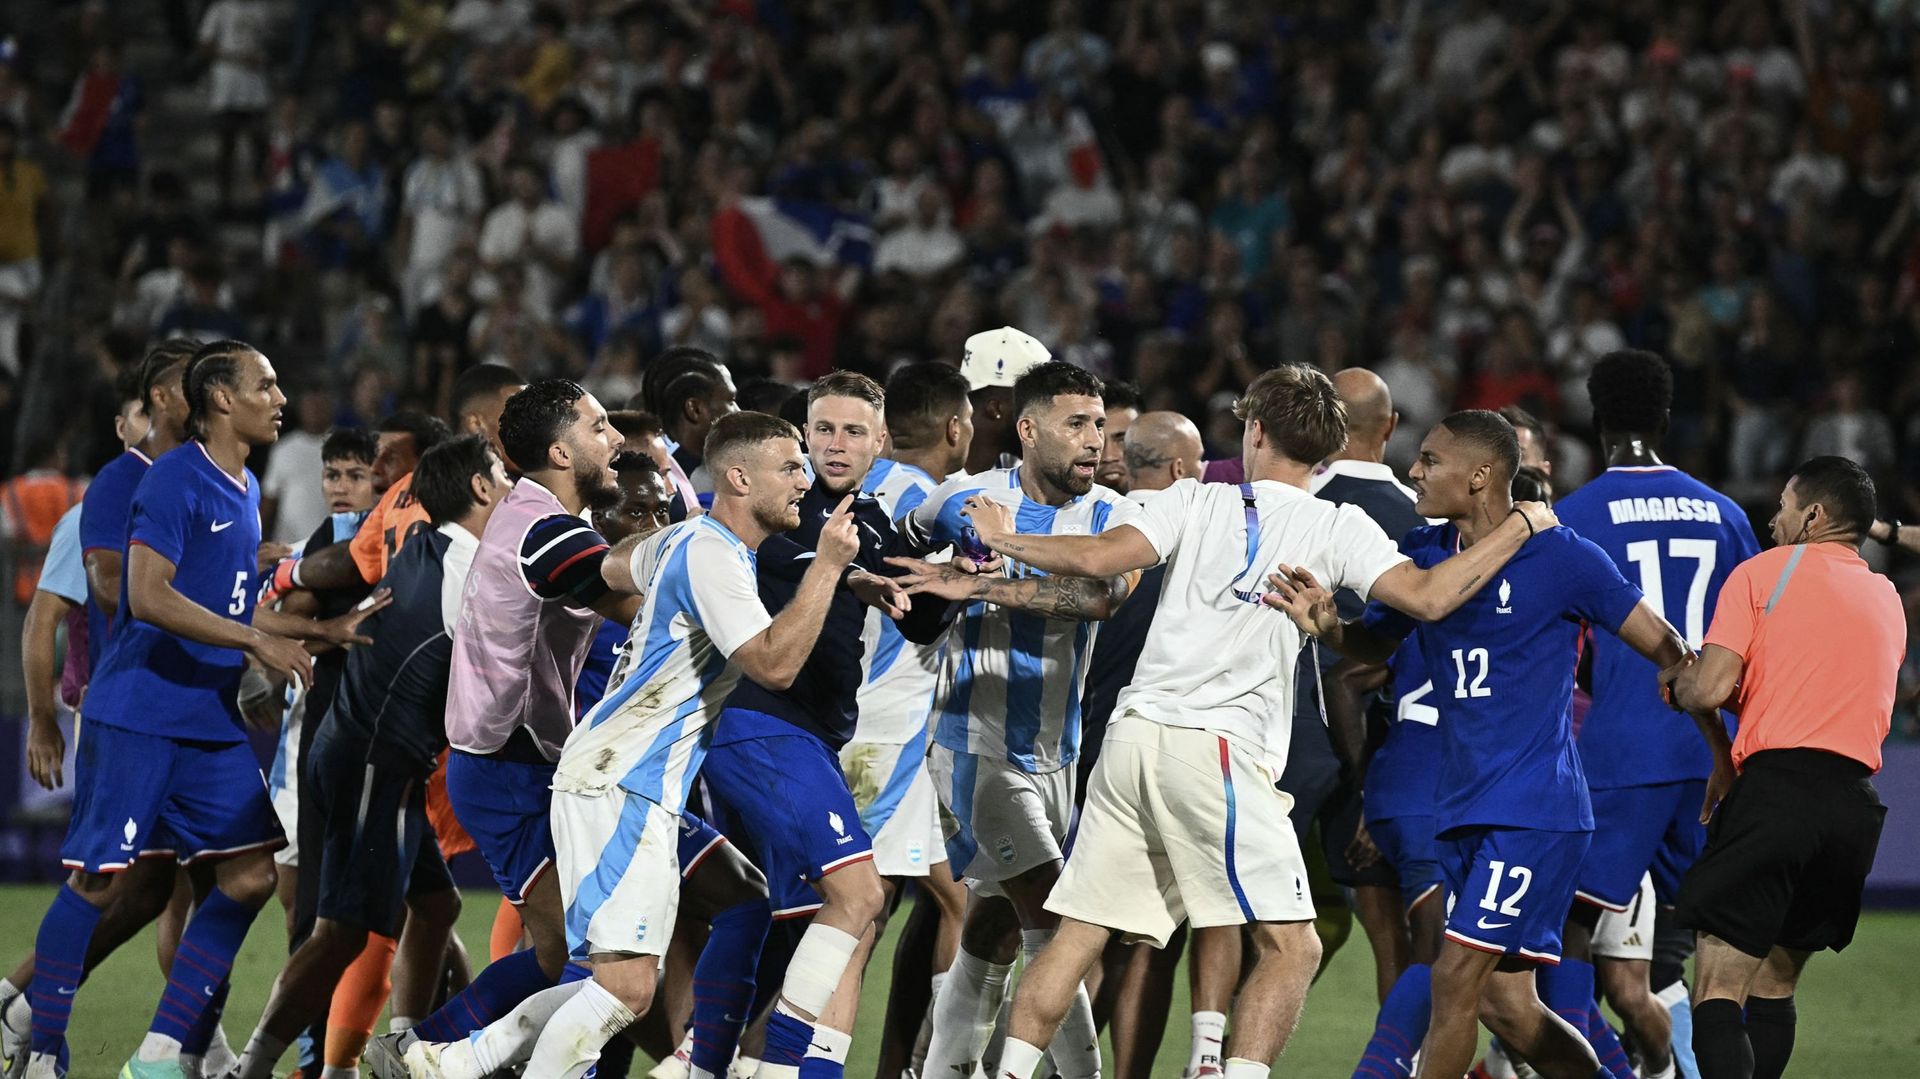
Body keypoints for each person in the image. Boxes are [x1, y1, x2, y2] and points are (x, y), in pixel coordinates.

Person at [954, 368, 1551, 1079]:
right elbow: (1426, 598)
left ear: (1256, 430)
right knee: (1293, 946)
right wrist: (1520, 524)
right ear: (1325, 450)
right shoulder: (1336, 526)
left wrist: (1003, 538)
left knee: (1078, 936)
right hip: (1216, 748)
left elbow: (1099, 557)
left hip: (1133, 737)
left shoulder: (1188, 498)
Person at [1264, 410, 1705, 1079]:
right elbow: (1377, 643)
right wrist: (1329, 626)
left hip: (1533, 811)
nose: (1414, 470)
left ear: (1478, 475)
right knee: (1510, 1008)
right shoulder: (1428, 552)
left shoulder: (1564, 556)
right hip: (1463, 806)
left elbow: (1665, 643)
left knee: (1452, 978)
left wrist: (1704, 719)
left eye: (1430, 460)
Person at [438, 410, 864, 1078]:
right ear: (738, 475)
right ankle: (460, 1056)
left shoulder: (691, 543)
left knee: (711, 919)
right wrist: (831, 566)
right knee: (622, 988)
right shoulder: (712, 554)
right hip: (619, 779)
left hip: (626, 777)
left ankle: (455, 1060)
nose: (804, 480)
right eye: (790, 465)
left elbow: (617, 561)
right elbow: (775, 664)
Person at [25, 340, 379, 1079]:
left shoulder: (245, 485)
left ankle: (159, 1055)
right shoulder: (173, 480)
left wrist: (318, 630)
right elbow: (145, 595)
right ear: (221, 398)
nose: (281, 398)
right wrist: (256, 640)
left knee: (249, 874)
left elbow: (233, 603)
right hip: (142, 712)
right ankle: (40, 1049)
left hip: (209, 722)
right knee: (98, 880)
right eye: (267, 385)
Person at [886, 361, 1141, 1079]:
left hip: (1057, 755)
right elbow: (892, 543)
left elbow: (1101, 596)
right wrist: (896, 589)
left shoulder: (1115, 518)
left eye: (1099, 424)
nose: (1095, 440)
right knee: (1054, 921)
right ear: (1028, 430)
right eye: (1076, 424)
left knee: (992, 933)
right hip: (974, 748)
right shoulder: (964, 498)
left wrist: (984, 577)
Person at [232, 436, 512, 1079]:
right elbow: (494, 697)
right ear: (477, 489)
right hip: (375, 764)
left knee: (437, 905)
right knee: (341, 933)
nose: (509, 487)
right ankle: (254, 1068)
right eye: (500, 475)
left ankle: (402, 1051)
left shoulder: (419, 550)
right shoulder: (470, 578)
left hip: (355, 750)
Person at [699, 372, 943, 1078]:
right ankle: (787, 1070)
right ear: (804, 433)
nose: (836, 445)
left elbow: (916, 612)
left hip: (808, 737)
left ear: (881, 442)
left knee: (787, 918)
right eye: (825, 429)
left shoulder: (866, 521)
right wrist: (849, 571)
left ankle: (716, 1062)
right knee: (860, 896)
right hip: (763, 724)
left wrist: (959, 574)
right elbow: (794, 562)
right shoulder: (783, 506)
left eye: (854, 431)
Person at [1554, 350, 1761, 1079]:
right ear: (1667, 418)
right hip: (1717, 757)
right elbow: (1755, 637)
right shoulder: (1727, 512)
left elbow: (1562, 644)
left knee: (1570, 927)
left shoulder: (1574, 515)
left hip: (1622, 751)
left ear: (1596, 417)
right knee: (1717, 947)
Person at [1667, 457, 1903, 1079]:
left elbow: (1710, 689)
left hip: (1778, 792)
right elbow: (1818, 688)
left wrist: (1681, 683)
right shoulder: (1887, 597)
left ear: (1814, 517)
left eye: (1783, 507)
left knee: (1717, 986)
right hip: (1854, 807)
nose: (1773, 521)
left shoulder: (1765, 572)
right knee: (1774, 987)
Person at [1070, 410, 1228, 1079]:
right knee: (1156, 938)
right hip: (1166, 749)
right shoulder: (1200, 537)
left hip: (1077, 749)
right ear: (1179, 470)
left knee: (1077, 931)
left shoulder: (1086, 527)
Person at [841, 361, 975, 1079]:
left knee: (953, 897)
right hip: (886, 728)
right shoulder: (936, 503)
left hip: (858, 722)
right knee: (855, 917)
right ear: (956, 427)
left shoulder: (859, 488)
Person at [958, 325, 1052, 474]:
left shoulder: (1021, 472)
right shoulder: (930, 484)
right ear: (996, 408)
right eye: (1035, 401)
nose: (1046, 414)